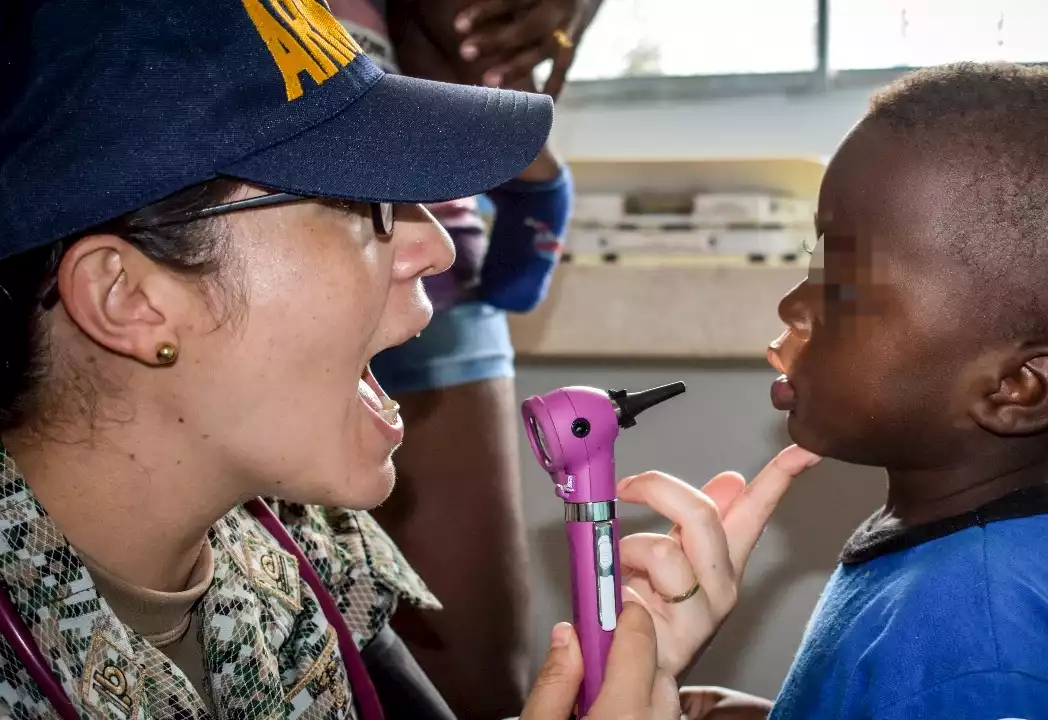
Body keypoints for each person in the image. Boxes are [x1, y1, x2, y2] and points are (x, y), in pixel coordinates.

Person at [0, 0, 820, 716]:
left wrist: (626, 678)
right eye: (363, 203)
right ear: (129, 299)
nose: (436, 245)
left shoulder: (310, 548)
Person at [686, 62, 1048, 719]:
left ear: (1014, 388)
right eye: (814, 261)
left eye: (843, 284)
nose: (794, 305)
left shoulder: (985, 651)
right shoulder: (959, 547)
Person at [328, 1, 599, 715]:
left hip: (442, 312)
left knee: (473, 684)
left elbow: (506, 101)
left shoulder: (430, 248)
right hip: (238, 269)